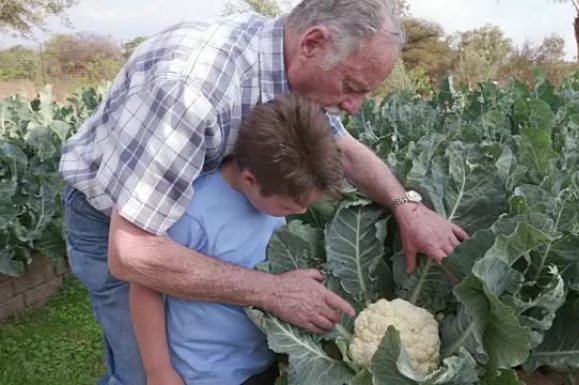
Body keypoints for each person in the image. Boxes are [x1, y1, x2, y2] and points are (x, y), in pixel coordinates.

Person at [60, 0, 469, 384]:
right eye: (351, 86)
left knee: (191, 322)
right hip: (116, 221)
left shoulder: (288, 71)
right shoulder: (191, 89)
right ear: (312, 43)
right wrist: (271, 291)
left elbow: (342, 148)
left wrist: (406, 207)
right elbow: (133, 254)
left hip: (201, 212)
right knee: (143, 369)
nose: (355, 105)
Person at [130, 94, 343, 385]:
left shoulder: (274, 192)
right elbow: (145, 287)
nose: (300, 212)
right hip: (207, 373)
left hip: (261, 361)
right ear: (250, 181)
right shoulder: (194, 213)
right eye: (289, 207)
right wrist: (159, 371)